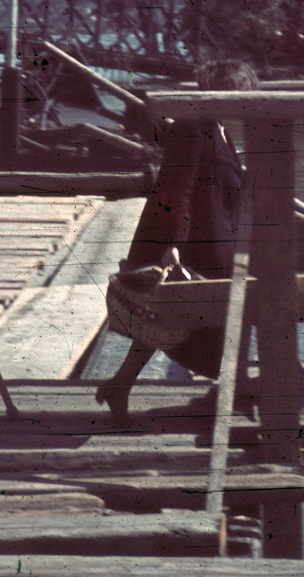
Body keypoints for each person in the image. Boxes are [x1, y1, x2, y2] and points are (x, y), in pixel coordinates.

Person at [95, 59, 257, 424]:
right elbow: (177, 188)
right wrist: (173, 244)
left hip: (215, 242)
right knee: (186, 318)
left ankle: (121, 385)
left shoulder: (219, 128)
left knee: (170, 319)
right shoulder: (192, 127)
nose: (242, 103)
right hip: (195, 245)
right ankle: (227, 392)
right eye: (235, 95)